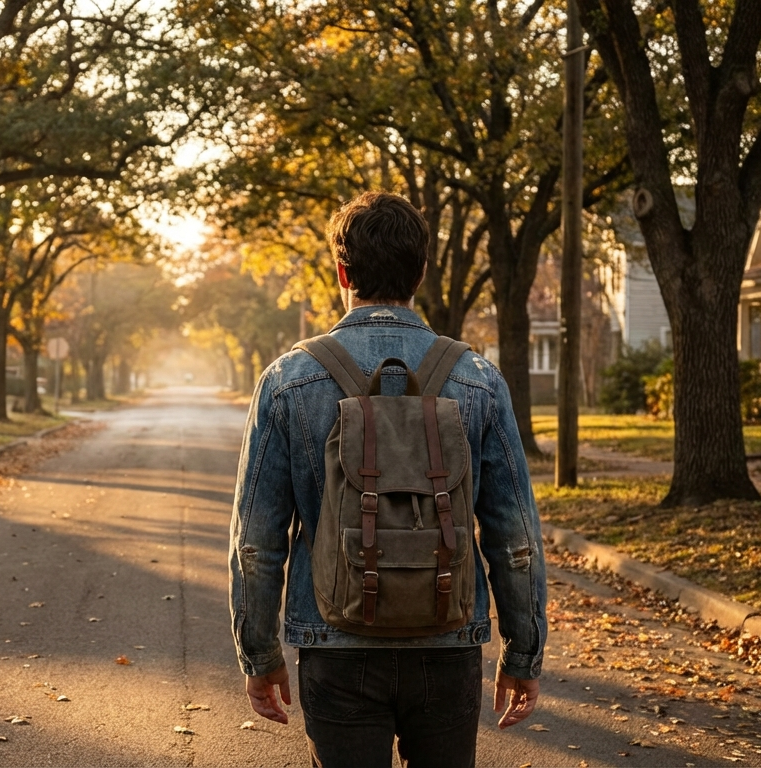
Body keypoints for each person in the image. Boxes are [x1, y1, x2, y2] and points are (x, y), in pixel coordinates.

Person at [228, 191, 547, 767]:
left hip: (336, 643)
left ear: (342, 271)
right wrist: (523, 654)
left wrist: (260, 653)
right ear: (421, 271)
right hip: (447, 641)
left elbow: (256, 543)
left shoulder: (288, 379)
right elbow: (514, 538)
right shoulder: (477, 378)